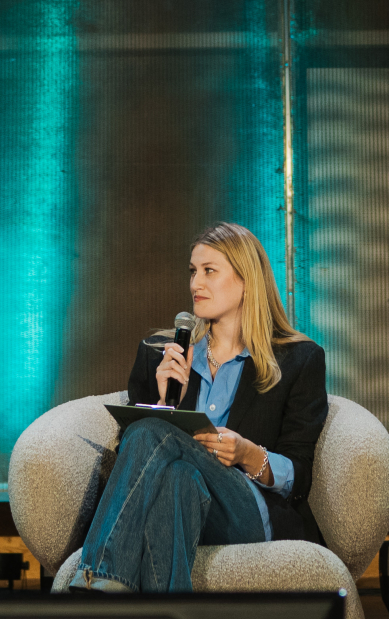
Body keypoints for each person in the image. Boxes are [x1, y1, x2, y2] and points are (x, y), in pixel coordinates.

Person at [67, 221, 329, 593]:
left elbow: (301, 474)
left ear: (246, 281)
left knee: (153, 434)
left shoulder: (298, 360)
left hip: (246, 508)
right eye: (192, 271)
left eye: (209, 271)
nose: (195, 284)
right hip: (187, 498)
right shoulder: (162, 354)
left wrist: (250, 454)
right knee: (179, 480)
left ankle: (99, 577)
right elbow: (135, 457)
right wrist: (164, 400)